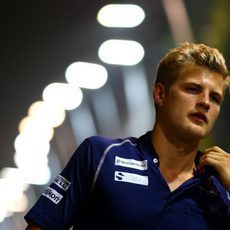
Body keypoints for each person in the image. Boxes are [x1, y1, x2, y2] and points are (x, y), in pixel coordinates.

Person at [25, 42, 230, 230]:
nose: (205, 102)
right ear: (160, 94)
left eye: (215, 98)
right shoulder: (100, 156)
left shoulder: (220, 190)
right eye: (193, 89)